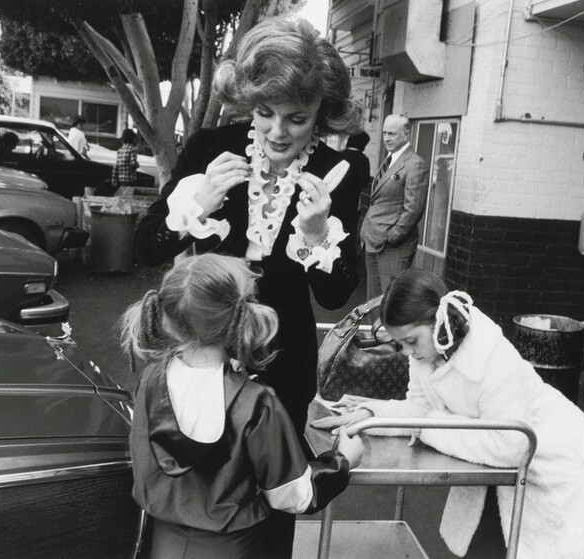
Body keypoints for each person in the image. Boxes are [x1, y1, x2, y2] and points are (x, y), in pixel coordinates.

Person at [134, 17, 363, 557]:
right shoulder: (210, 149)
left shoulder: (340, 171)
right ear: (249, 103)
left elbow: (335, 296)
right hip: (201, 347)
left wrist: (314, 236)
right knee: (188, 481)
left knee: (276, 495)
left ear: (321, 116)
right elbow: (145, 246)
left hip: (284, 361)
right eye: (264, 113)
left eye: (297, 118)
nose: (277, 132)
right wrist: (198, 204)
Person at [312, 268, 584, 559]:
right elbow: (419, 408)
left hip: (557, 463)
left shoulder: (492, 357)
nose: (407, 353)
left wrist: (430, 426)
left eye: (411, 341)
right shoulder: (430, 349)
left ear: (437, 321)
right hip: (503, 470)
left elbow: (512, 445)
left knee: (560, 545)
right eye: (400, 345)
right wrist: (370, 416)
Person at [123, 253, 363, 559]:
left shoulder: (151, 380)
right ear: (240, 318)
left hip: (162, 543)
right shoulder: (256, 404)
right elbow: (293, 495)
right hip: (232, 548)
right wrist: (341, 461)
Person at [359, 114, 428, 302]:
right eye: (384, 133)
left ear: (406, 134)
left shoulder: (415, 165)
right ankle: (375, 332)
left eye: (392, 134)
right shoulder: (389, 160)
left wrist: (393, 237)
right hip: (373, 240)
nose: (386, 138)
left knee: (390, 300)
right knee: (372, 301)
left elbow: (413, 208)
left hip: (392, 246)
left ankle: (387, 333)